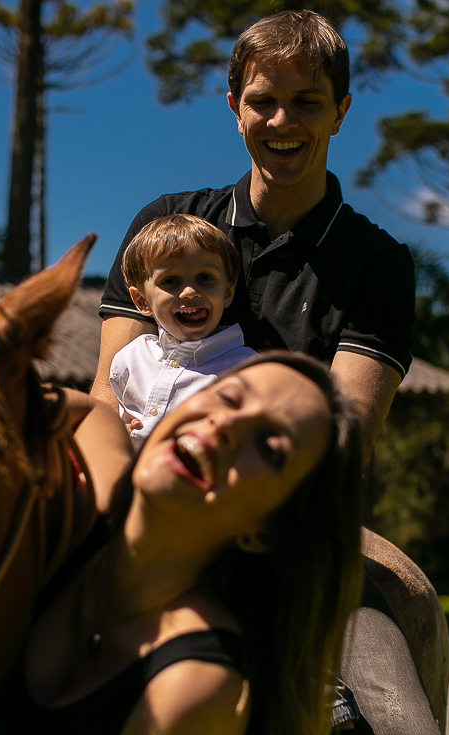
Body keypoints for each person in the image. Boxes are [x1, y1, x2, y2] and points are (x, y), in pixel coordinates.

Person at [0, 352, 366, 735]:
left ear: (269, 531)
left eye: (269, 447)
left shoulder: (197, 686)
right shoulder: (92, 512)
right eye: (229, 397)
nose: (226, 426)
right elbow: (95, 415)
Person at [91, 10, 415, 464]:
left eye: (307, 101)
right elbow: (109, 396)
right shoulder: (165, 222)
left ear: (340, 112)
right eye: (262, 101)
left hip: (286, 516)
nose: (282, 121)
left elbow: (343, 442)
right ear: (235, 110)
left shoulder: (377, 263)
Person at [108, 214, 257, 448]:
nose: (190, 292)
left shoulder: (249, 370)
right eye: (170, 281)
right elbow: (123, 417)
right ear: (141, 301)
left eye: (205, 278)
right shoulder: (130, 358)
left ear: (228, 292)